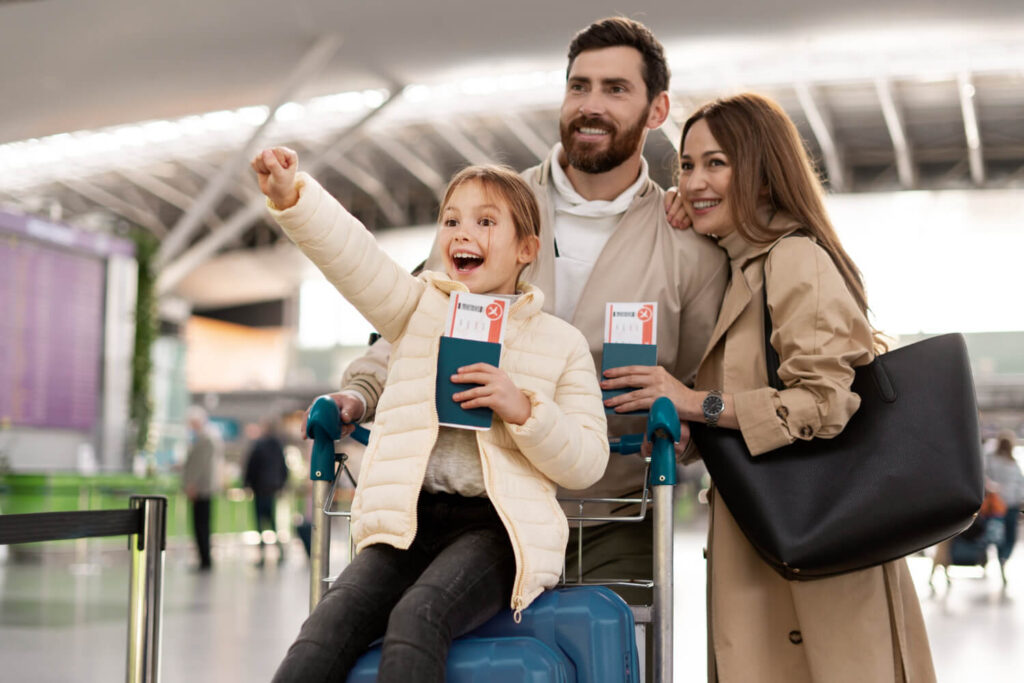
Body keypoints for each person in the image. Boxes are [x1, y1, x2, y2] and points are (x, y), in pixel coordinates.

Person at [316, 16, 729, 603]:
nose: (591, 105)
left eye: (616, 89)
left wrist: (684, 433)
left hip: (616, 517)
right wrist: (361, 390)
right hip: (483, 513)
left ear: (657, 110)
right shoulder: (490, 211)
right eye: (578, 86)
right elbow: (419, 323)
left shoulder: (687, 246)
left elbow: (700, 380)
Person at [602, 93, 936, 681]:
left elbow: (823, 404)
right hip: (769, 538)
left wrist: (692, 401)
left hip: (820, 549)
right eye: (685, 165)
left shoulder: (794, 259)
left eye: (717, 163)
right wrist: (689, 426)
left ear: (761, 172)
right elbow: (746, 399)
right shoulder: (741, 269)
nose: (695, 180)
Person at [252, 148, 610, 682]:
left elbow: (587, 463)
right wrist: (292, 196)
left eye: (486, 221)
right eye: (452, 220)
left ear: (527, 249)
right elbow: (357, 260)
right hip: (407, 520)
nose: (463, 232)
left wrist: (523, 409)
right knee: (324, 629)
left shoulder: (562, 344)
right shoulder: (419, 310)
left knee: (419, 617)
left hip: (496, 530)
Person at [243, 419, 289, 567]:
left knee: (260, 523)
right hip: (272, 488)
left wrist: (247, 484)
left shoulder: (259, 445)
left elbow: (251, 466)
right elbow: (283, 467)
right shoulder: (277, 446)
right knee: (272, 522)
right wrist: (281, 484)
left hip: (260, 489)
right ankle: (280, 552)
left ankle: (262, 555)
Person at [182, 406, 222, 572]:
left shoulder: (206, 439)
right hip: (202, 488)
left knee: (202, 525)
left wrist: (192, 484)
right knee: (201, 525)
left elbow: (200, 466)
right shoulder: (206, 437)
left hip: (202, 489)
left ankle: (205, 560)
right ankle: (203, 559)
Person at [986, 429, 1024, 585]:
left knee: (1003, 535)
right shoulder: (994, 460)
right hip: (1002, 505)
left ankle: (1002, 557)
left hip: (1005, 505)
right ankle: (1003, 557)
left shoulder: (1011, 462)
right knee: (1006, 536)